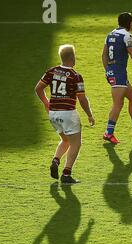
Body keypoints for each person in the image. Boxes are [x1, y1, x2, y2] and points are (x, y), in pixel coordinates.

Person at [35, 44, 95, 183]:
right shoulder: (76, 76)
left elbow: (38, 88)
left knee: (66, 140)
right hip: (68, 114)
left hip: (53, 114)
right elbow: (82, 98)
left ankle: (56, 160)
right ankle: (66, 174)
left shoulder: (51, 71)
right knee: (76, 143)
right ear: (72, 58)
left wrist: (46, 102)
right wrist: (89, 114)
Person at [102, 12, 132, 144]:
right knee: (118, 104)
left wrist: (107, 70)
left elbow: (104, 55)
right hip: (119, 74)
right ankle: (108, 132)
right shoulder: (127, 36)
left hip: (115, 73)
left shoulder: (110, 34)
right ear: (129, 23)